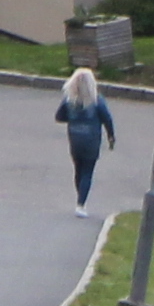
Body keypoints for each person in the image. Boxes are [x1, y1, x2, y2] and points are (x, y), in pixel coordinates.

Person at [57, 62, 114, 207]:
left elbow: (59, 116)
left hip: (75, 138)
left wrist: (73, 118)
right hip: (91, 140)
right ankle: (81, 203)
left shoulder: (69, 101)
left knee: (78, 169)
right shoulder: (97, 101)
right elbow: (107, 118)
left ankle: (80, 196)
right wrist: (111, 136)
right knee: (88, 171)